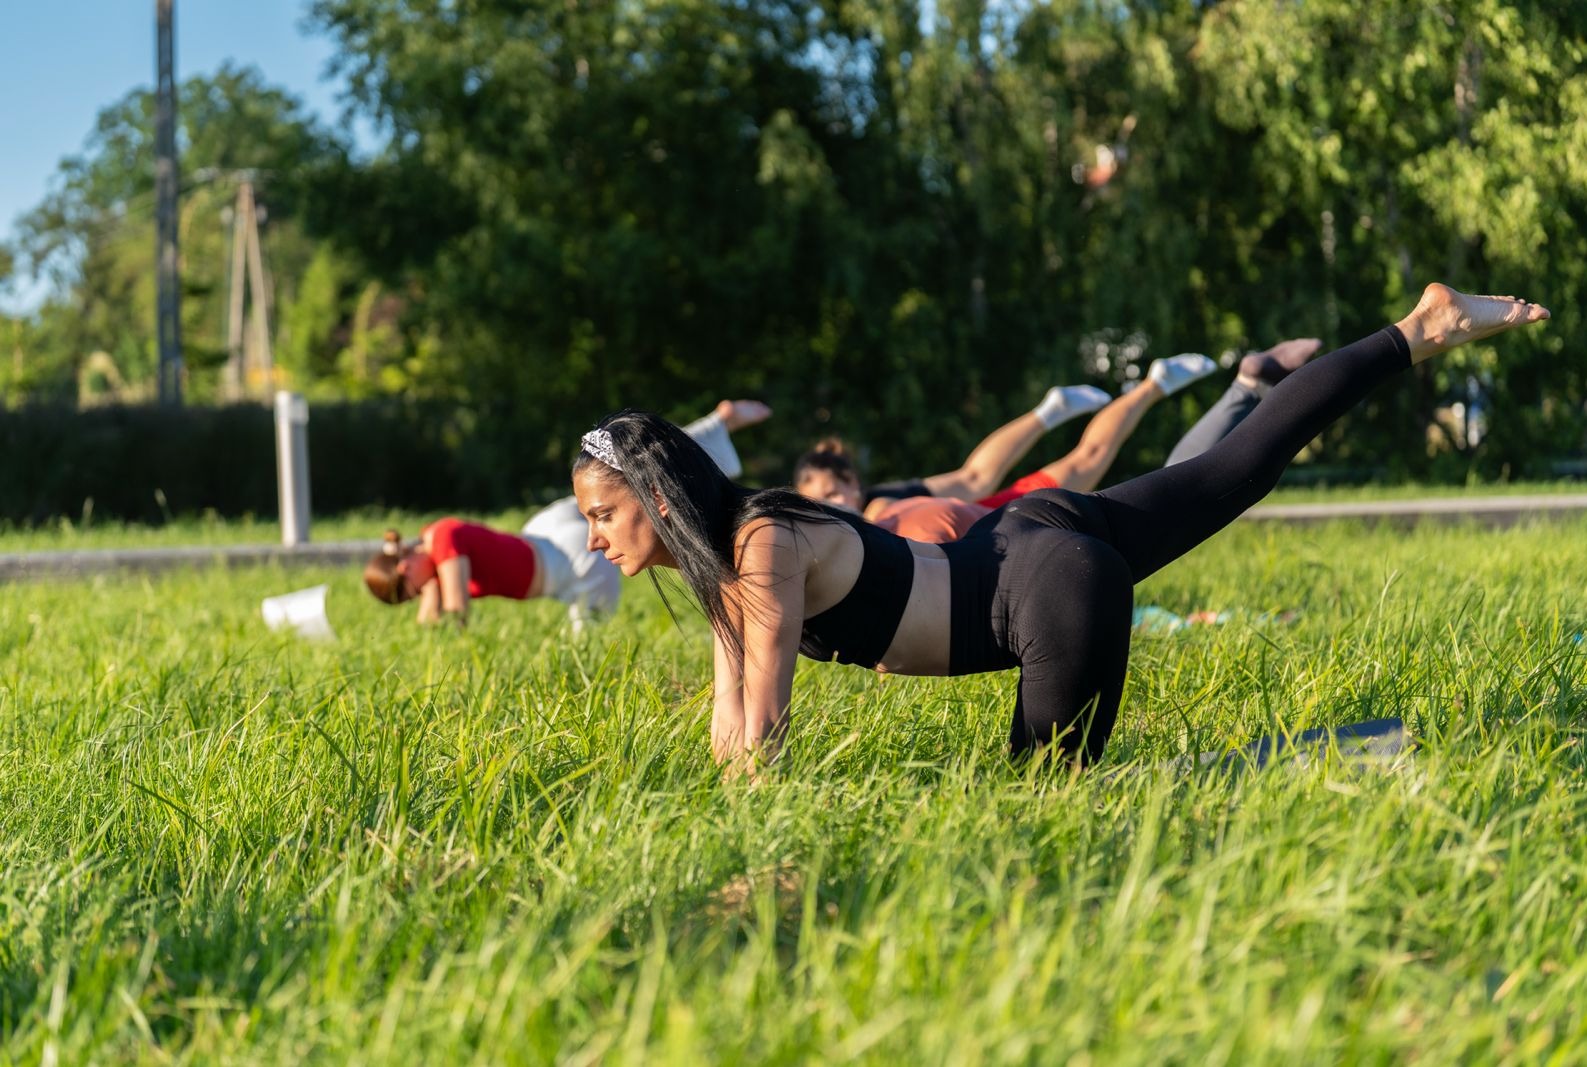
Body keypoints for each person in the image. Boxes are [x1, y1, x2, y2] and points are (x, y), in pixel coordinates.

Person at [571, 285, 1548, 772]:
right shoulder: (731, 558)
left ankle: (1352, 751)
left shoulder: (762, 545)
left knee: (1054, 806)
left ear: (658, 498)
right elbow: (730, 728)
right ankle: (1419, 329)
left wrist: (748, 868)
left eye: (602, 514)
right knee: (1234, 469)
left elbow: (763, 730)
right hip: (1023, 541)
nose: (594, 540)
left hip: (1044, 590)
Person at [363, 400, 770, 627]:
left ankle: (716, 432)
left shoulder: (443, 541)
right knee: (624, 473)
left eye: (411, 589)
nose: (420, 593)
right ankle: (717, 425)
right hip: (543, 532)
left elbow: (455, 613)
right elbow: (430, 611)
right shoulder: (432, 546)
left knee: (588, 638)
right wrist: (424, 593)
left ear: (405, 567)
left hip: (567, 564)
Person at [794, 353, 1218, 523]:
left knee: (1086, 459)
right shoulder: (860, 515)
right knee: (979, 478)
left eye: (832, 494)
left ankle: (1153, 386)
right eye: (819, 503)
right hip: (994, 521)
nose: (831, 506)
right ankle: (1060, 408)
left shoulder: (879, 508)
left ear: (852, 483)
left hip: (1001, 516)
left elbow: (973, 481)